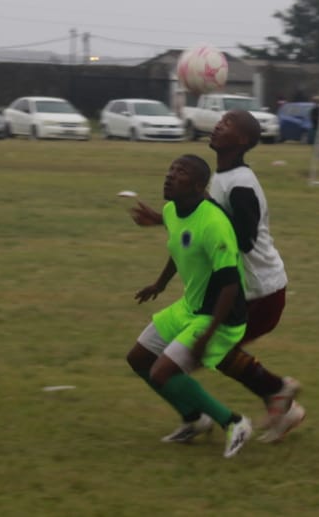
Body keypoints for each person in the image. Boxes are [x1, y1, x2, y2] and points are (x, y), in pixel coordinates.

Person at [130, 110, 305, 444]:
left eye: (226, 124)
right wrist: (168, 221)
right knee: (210, 354)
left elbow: (242, 237)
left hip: (259, 290)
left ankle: (273, 395)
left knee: (204, 353)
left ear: (240, 141)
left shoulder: (241, 184)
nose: (217, 126)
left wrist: (196, 221)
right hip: (245, 288)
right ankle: (276, 399)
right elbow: (203, 226)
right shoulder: (224, 176)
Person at [125, 154, 254, 458]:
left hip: (220, 315)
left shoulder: (214, 223)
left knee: (162, 372)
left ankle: (234, 422)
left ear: (198, 186)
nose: (170, 176)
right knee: (139, 359)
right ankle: (195, 420)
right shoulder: (173, 210)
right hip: (190, 307)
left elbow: (230, 284)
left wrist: (208, 334)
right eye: (170, 169)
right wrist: (159, 284)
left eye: (180, 172)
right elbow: (180, 242)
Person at [308, 95, 319, 160]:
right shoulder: (313, 110)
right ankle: (317, 156)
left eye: (318, 101)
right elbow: (312, 118)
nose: (316, 103)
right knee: (316, 143)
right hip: (315, 127)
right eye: (316, 101)